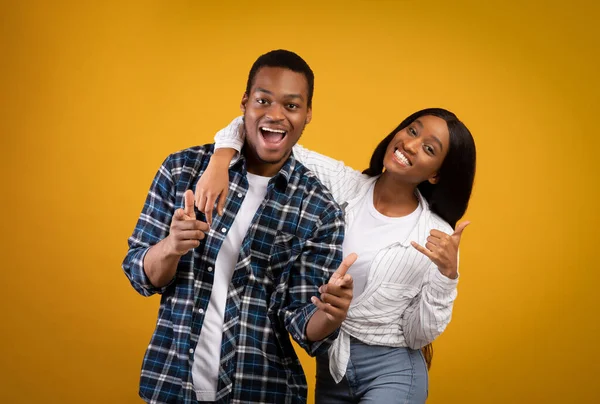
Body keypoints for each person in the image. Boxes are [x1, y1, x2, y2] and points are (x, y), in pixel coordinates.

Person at [194, 107, 476, 403]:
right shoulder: (344, 185)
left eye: (429, 148)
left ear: (435, 174)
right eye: (412, 131)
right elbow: (263, 133)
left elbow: (418, 336)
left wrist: (447, 277)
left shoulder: (436, 237)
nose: (410, 144)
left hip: (393, 372)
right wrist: (219, 160)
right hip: (332, 369)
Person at [122, 49, 356, 404]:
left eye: (291, 106)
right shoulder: (183, 169)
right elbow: (140, 273)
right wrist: (171, 246)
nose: (275, 114)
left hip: (262, 391)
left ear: (308, 114)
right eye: (263, 100)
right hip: (171, 383)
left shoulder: (320, 209)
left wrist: (329, 312)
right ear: (245, 102)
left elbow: (304, 326)